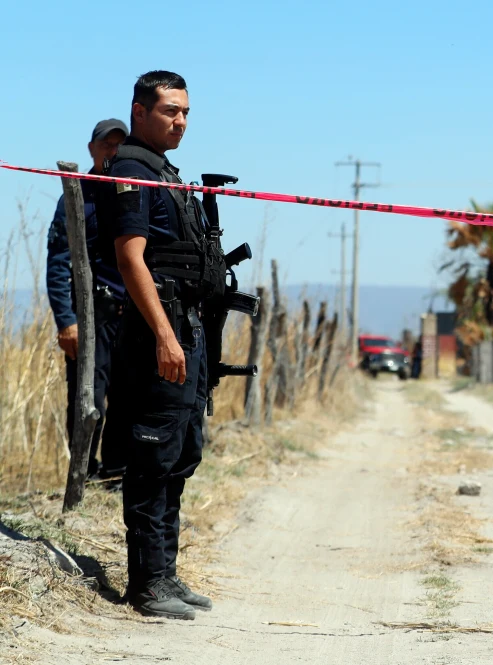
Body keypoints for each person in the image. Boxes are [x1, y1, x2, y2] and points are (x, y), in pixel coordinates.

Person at [99, 71, 215, 620]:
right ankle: (146, 584)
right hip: (157, 332)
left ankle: (165, 573)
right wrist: (166, 336)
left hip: (185, 326)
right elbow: (130, 258)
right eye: (170, 110)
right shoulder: (131, 169)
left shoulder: (165, 172)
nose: (181, 121)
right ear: (140, 112)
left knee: (180, 452)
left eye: (186, 112)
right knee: (152, 453)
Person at [47, 119, 129, 483]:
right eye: (106, 144)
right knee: (87, 399)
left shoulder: (133, 191)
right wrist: (66, 321)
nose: (112, 152)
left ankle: (114, 475)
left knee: (127, 398)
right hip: (91, 315)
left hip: (131, 317)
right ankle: (81, 474)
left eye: (118, 145)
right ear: (91, 149)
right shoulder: (75, 195)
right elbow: (58, 260)